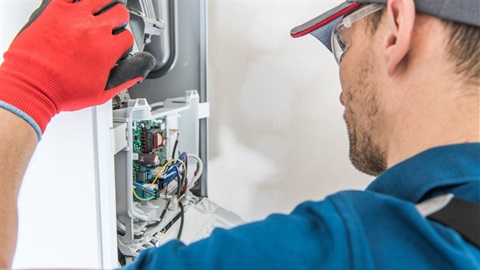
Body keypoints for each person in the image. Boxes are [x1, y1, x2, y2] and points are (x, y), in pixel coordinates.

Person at [0, 0, 478, 268]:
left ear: (395, 28)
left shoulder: (349, 253)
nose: (341, 86)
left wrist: (27, 88)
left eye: (341, 42)